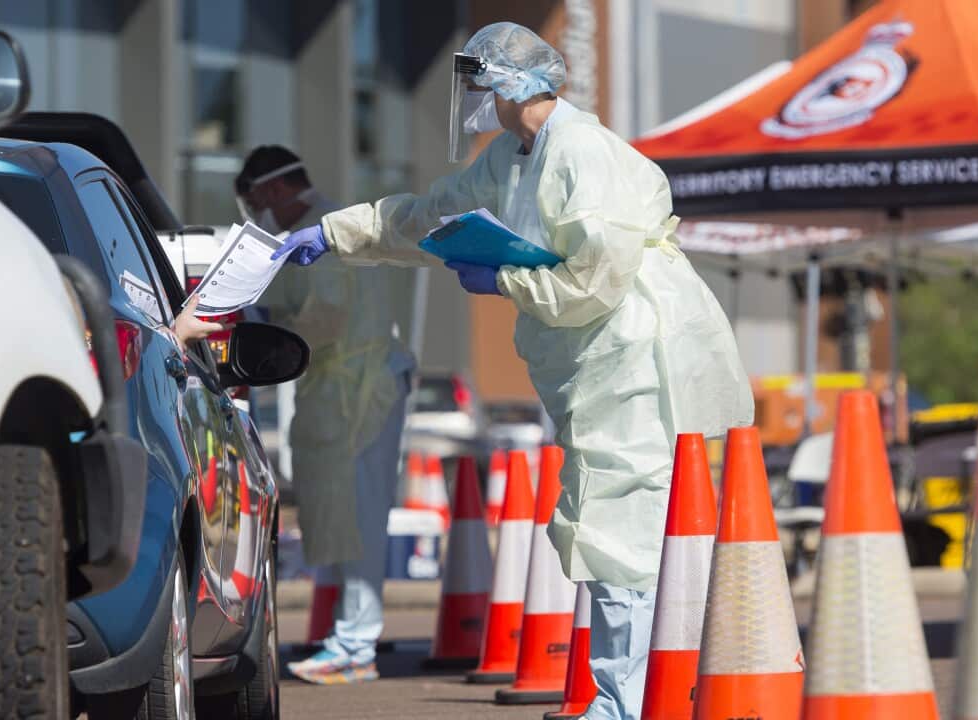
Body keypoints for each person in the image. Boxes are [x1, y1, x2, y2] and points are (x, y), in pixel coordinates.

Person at [273, 23, 752, 720]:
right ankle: (629, 696)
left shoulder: (584, 152)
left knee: (622, 529)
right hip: (591, 360)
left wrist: (506, 282)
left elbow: (597, 278)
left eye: (480, 83)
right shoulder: (510, 158)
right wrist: (340, 233)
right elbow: (429, 218)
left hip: (635, 354)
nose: (476, 99)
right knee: (604, 520)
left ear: (507, 83)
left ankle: (627, 701)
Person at [235, 146, 416, 685]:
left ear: (271, 191)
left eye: (253, 201)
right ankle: (348, 636)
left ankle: (355, 644)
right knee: (339, 512)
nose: (255, 214)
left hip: (359, 391)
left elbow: (327, 316)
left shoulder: (324, 233)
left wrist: (263, 326)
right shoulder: (328, 225)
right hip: (339, 388)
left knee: (358, 516)